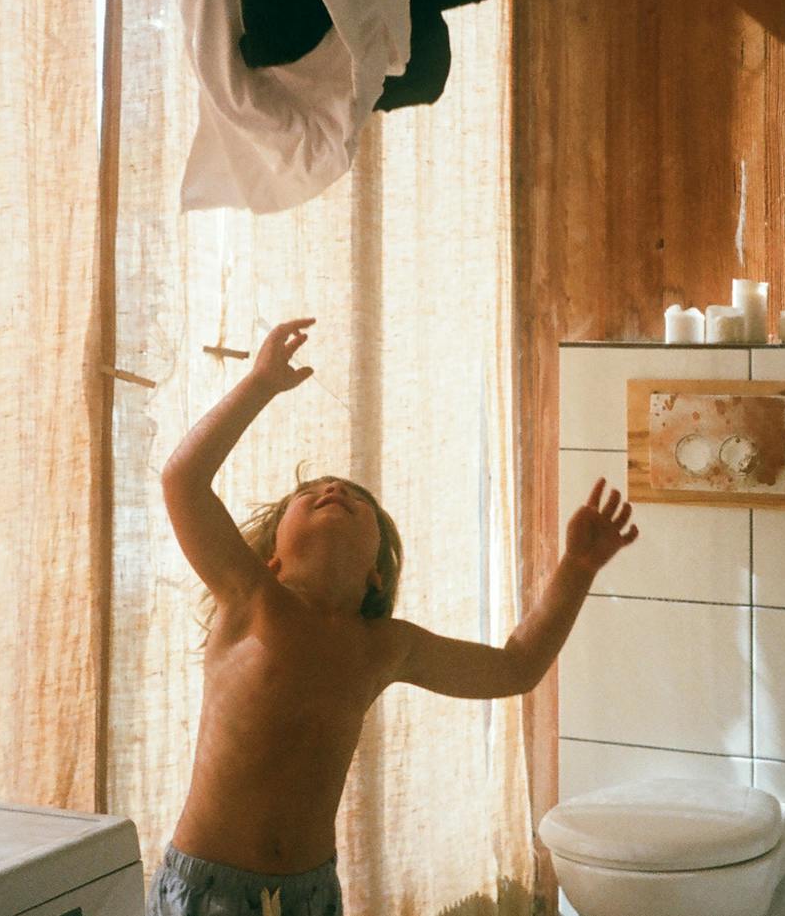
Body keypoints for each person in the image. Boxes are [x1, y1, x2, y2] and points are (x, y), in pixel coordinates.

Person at [150, 317, 639, 916]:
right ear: (273, 558)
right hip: (210, 888)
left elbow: (515, 667)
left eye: (357, 501)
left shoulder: (384, 646)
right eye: (313, 494)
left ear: (375, 575)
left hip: (309, 894)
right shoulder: (250, 598)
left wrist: (578, 569)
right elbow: (183, 479)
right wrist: (260, 384)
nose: (335, 492)